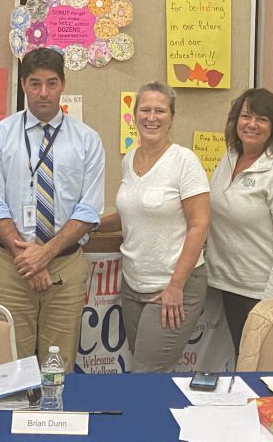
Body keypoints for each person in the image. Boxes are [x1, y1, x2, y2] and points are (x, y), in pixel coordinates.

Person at [0, 47, 105, 370]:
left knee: (57, 364)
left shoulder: (87, 140)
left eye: (51, 83)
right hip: (11, 265)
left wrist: (44, 254)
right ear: (23, 85)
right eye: (35, 84)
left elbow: (88, 210)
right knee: (9, 365)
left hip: (65, 267)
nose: (43, 93)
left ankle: (52, 420)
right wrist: (28, 258)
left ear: (63, 85)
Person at [99, 82, 210, 372]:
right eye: (145, 110)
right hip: (134, 286)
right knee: (151, 374)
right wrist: (90, 226)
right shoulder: (130, 159)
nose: (152, 117)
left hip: (173, 287)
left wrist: (176, 285)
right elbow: (131, 214)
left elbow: (199, 225)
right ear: (134, 116)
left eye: (160, 111)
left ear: (172, 118)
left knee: (146, 373)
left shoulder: (184, 161)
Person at [207, 88, 273, 356]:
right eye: (245, 116)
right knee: (243, 366)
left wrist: (270, 303)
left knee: (266, 374)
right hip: (229, 286)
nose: (251, 124)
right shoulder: (229, 157)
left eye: (262, 119)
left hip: (264, 293)